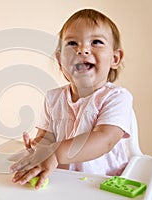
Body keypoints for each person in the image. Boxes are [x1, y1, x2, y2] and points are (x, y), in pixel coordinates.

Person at [10, 8, 135, 189]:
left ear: (115, 58)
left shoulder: (116, 98)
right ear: (60, 61)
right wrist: (38, 148)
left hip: (103, 185)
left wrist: (55, 153)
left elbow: (105, 139)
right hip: (63, 182)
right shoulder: (53, 99)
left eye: (96, 42)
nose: (82, 49)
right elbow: (47, 137)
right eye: (72, 43)